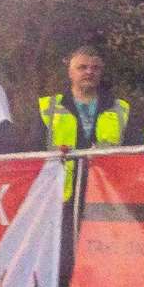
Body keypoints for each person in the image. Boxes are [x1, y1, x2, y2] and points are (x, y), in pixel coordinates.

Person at [39, 47, 130, 198]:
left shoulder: (121, 109)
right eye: (82, 67)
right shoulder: (48, 107)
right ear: (70, 72)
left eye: (95, 68)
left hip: (105, 198)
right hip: (58, 198)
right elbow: (33, 152)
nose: (89, 72)